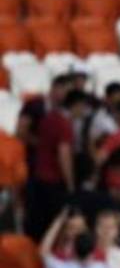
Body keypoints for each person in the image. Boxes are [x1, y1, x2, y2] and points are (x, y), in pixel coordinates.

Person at [25, 89, 88, 241]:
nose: (84, 112)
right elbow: (64, 154)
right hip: (53, 181)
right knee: (54, 223)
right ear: (77, 105)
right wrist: (70, 184)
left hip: (38, 177)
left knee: (37, 223)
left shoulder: (49, 118)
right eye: (83, 107)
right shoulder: (63, 124)